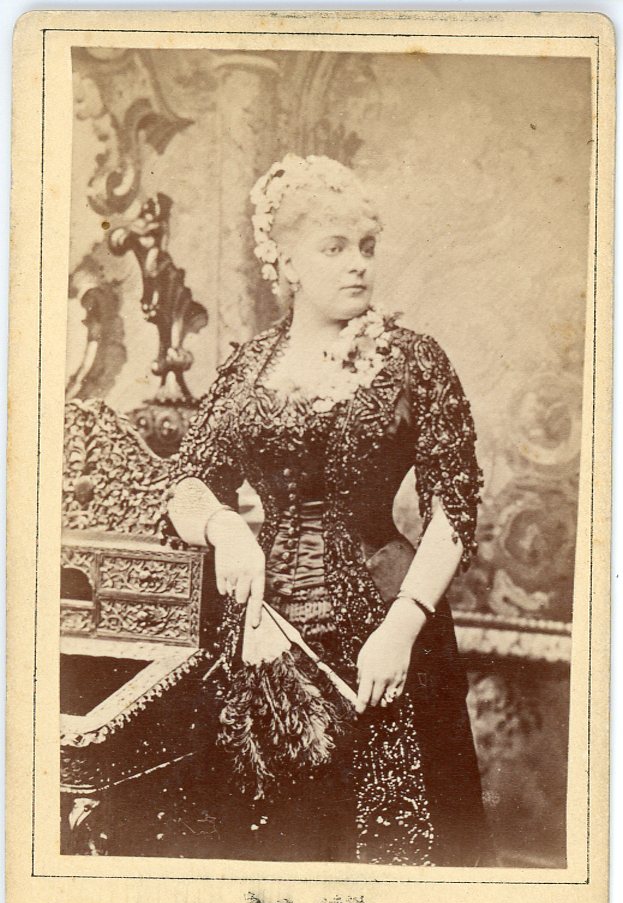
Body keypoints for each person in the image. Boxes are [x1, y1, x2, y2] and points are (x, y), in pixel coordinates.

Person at [165, 153, 493, 866]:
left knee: (393, 849)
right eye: (334, 247)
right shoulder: (247, 367)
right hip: (265, 635)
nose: (358, 265)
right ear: (285, 262)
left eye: (365, 247)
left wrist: (401, 627)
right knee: (275, 855)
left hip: (388, 624)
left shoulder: (412, 361)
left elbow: (453, 509)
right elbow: (187, 482)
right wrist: (225, 527)